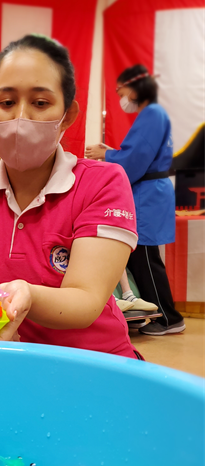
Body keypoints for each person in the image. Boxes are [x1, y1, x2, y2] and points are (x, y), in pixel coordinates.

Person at [0, 34, 142, 359]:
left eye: (40, 103)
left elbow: (85, 300)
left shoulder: (103, 183)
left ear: (67, 115)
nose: (21, 117)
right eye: (7, 103)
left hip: (90, 363)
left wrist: (25, 296)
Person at [85, 65, 185, 335]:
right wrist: (112, 152)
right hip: (151, 190)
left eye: (120, 91)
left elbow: (135, 160)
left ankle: (167, 318)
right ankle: (155, 313)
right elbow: (136, 153)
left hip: (147, 194)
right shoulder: (155, 114)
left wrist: (105, 156)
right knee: (145, 258)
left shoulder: (151, 114)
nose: (121, 97)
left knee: (145, 259)